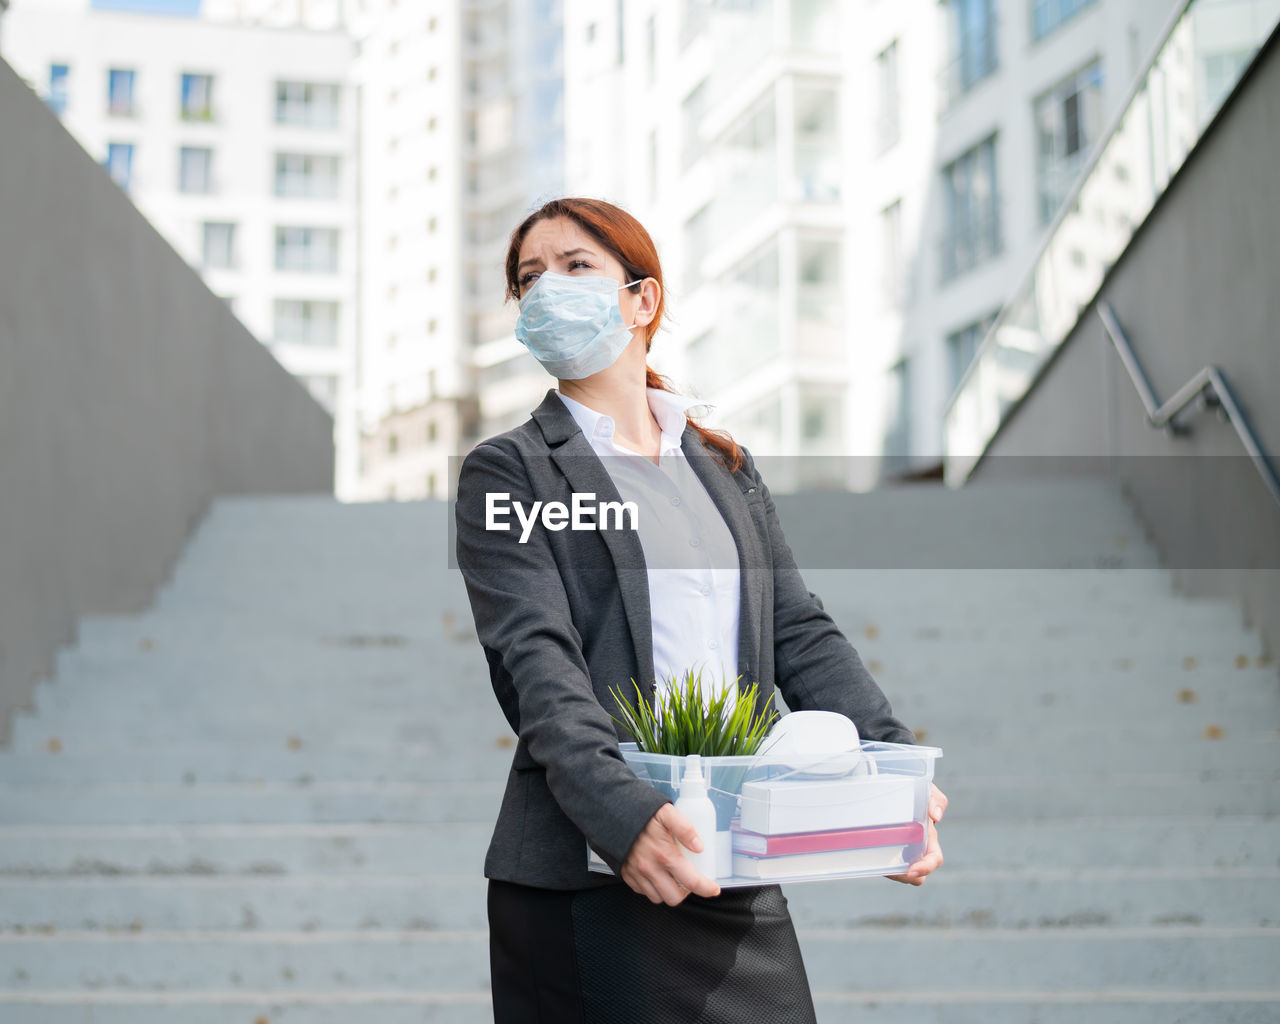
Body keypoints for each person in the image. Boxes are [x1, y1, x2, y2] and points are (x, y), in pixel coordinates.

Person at [454, 197, 947, 1023]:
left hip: (731, 851)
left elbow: (796, 627)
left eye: (576, 267)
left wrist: (891, 771)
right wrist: (627, 818)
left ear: (643, 300)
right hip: (596, 868)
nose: (546, 292)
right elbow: (537, 665)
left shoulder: (722, 465)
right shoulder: (509, 475)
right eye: (528, 278)